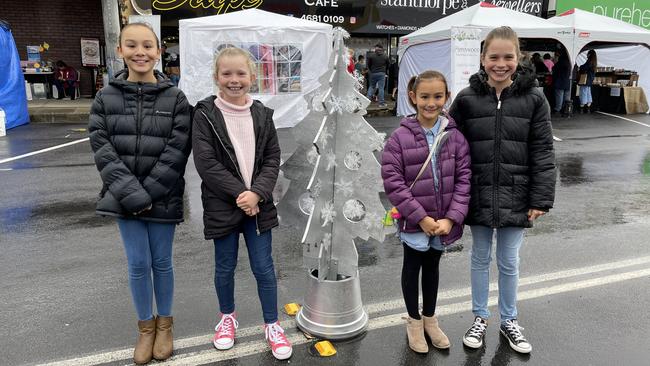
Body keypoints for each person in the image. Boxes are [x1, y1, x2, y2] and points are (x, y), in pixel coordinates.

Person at [88, 22, 192, 364]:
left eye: (147, 46)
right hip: (122, 196)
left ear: (159, 51)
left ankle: (166, 325)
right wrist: (132, 194)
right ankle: (145, 328)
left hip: (163, 194)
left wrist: (148, 193)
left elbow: (177, 150)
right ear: (120, 51)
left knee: (161, 263)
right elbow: (103, 150)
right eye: (131, 46)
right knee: (137, 264)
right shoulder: (105, 97)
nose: (140, 52)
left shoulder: (176, 98)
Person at [449, 26, 556, 354]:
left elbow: (543, 149)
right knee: (480, 257)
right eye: (493, 57)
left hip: (517, 193)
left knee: (509, 260)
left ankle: (509, 320)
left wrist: (540, 197)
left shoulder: (534, 98)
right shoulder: (466, 99)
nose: (500, 63)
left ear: (518, 57)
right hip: (478, 192)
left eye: (508, 57)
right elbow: (450, 146)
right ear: (482, 59)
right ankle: (480, 317)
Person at [191, 47, 292, 361]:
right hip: (224, 205)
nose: (234, 80)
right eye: (227, 74)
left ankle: (272, 324)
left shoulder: (262, 114)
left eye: (240, 74)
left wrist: (257, 194)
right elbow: (206, 163)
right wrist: (241, 194)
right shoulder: (205, 113)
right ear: (216, 77)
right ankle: (227, 318)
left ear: (252, 77)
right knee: (224, 267)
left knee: (264, 268)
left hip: (258, 207)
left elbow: (272, 159)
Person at [381, 70, 471, 354]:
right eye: (424, 97)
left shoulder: (455, 137)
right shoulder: (398, 139)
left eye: (437, 96)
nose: (431, 103)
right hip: (414, 222)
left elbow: (464, 178)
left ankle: (430, 319)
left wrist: (451, 218)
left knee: (432, 268)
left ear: (446, 97)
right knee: (412, 268)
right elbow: (393, 183)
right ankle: (414, 322)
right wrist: (421, 217)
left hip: (443, 222)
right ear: (412, 97)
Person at [366, 43, 389, 108]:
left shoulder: (371, 55)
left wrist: (371, 71)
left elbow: (369, 65)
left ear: (377, 48)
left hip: (373, 73)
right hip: (382, 73)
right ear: (382, 48)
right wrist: (385, 71)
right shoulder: (385, 56)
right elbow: (388, 65)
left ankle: (367, 101)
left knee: (372, 87)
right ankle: (381, 103)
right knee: (381, 88)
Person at [552, 49, 572, 116]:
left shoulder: (560, 62)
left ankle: (558, 110)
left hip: (560, 82)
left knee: (559, 97)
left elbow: (554, 69)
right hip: (567, 82)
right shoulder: (570, 62)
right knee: (566, 98)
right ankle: (565, 110)